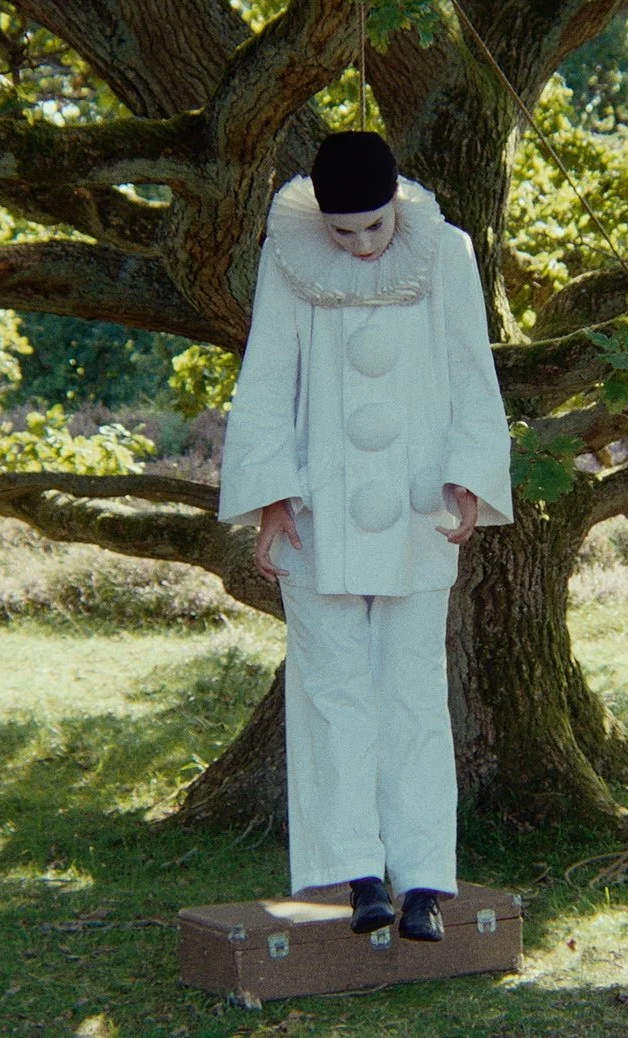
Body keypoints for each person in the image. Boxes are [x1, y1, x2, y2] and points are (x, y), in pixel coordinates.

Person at [216, 131, 514, 942]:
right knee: (332, 691)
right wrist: (269, 498)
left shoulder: (445, 253)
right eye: (341, 231)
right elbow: (266, 378)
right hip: (317, 512)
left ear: (396, 204)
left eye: (373, 227)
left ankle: (423, 881)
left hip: (420, 510)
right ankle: (358, 873)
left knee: (413, 691)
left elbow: (472, 372)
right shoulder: (291, 258)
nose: (358, 245)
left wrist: (468, 476)